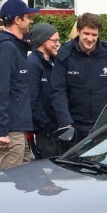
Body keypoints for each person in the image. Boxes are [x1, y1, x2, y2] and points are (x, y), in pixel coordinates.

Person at [50, 12, 107, 142]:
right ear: (79, 31)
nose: (90, 38)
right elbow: (57, 89)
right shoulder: (65, 53)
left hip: (103, 123)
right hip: (74, 123)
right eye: (86, 34)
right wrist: (65, 122)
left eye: (94, 35)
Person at [0, 0, 37, 170]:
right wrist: (2, 131)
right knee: (8, 187)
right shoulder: (5, 47)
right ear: (17, 19)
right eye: (28, 17)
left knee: (24, 185)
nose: (31, 21)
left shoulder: (16, 46)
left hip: (18, 129)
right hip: (10, 132)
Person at [26, 22, 61, 158]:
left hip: (56, 129)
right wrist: (49, 128)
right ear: (42, 40)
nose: (58, 44)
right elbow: (33, 101)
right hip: (45, 133)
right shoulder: (33, 64)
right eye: (55, 40)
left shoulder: (53, 62)